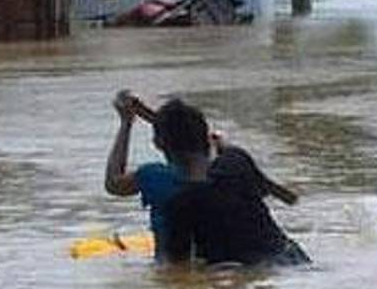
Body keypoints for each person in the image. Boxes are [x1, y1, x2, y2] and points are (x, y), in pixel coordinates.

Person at [164, 144, 311, 268]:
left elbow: (177, 263)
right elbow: (264, 187)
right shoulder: (236, 163)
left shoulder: (181, 201)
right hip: (289, 257)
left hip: (237, 267)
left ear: (159, 143)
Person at [104, 92, 210, 258]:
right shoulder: (228, 168)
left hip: (172, 271)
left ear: (158, 143)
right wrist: (147, 114)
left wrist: (126, 123)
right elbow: (187, 135)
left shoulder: (155, 177)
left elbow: (113, 183)